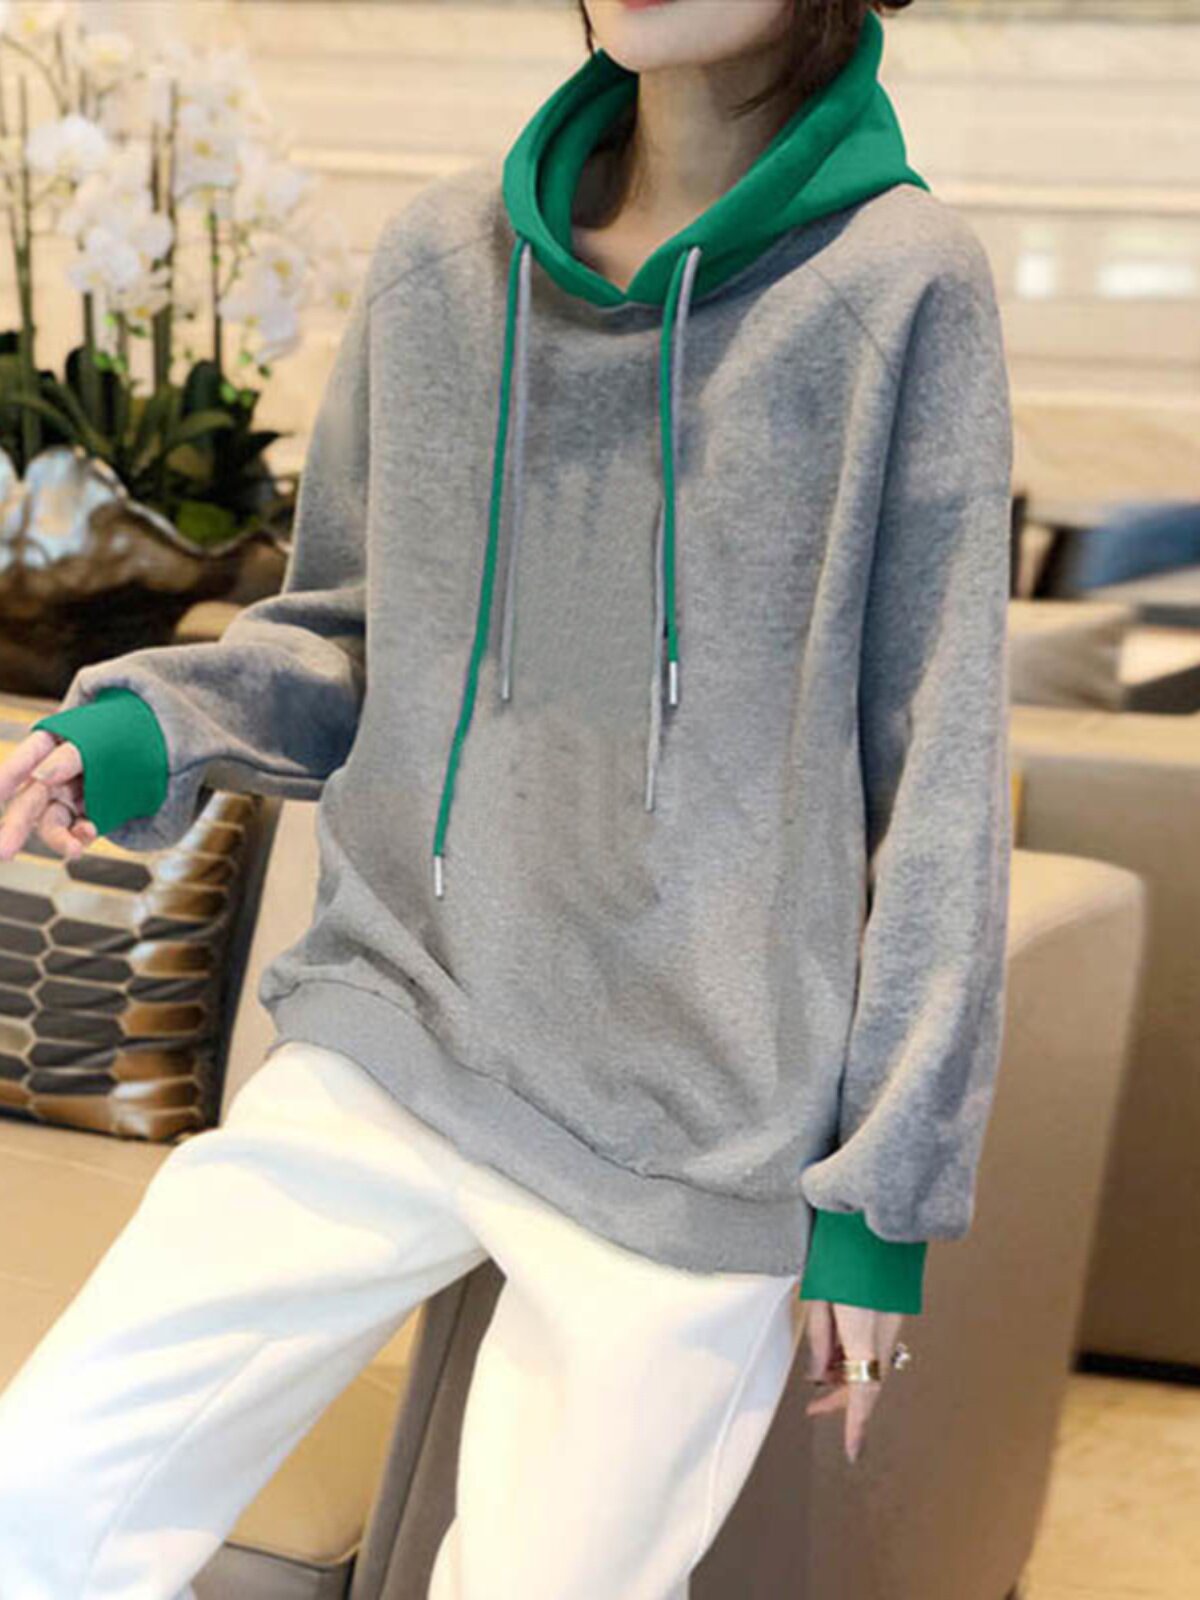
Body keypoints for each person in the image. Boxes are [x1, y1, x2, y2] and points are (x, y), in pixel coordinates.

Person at [0, 1, 1015, 1595]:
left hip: (702, 1124)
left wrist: (882, 1200)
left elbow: (937, 768)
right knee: (36, 1502)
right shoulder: (442, 262)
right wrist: (143, 731)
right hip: (401, 1027)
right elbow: (352, 634)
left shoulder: (901, 286)